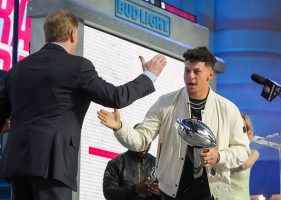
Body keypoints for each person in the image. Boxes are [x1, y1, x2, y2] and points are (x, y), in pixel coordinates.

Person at [0, 9, 167, 200]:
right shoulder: (77, 67)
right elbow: (115, 96)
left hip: (17, 164)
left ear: (47, 34)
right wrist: (148, 76)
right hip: (53, 165)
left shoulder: (17, 70)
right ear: (73, 34)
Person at [98, 46, 250, 200]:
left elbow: (243, 151)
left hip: (212, 192)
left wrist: (219, 156)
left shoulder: (228, 109)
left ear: (210, 75)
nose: (190, 76)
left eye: (197, 71)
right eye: (187, 70)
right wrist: (120, 127)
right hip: (171, 193)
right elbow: (141, 141)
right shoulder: (166, 103)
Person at [230, 113, 259, 200]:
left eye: (242, 128)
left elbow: (243, 164)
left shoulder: (253, 153)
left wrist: (246, 140)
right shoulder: (223, 151)